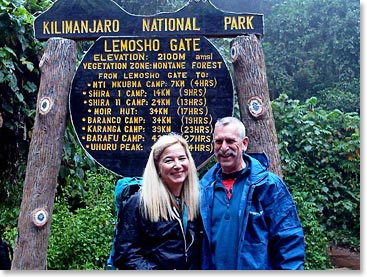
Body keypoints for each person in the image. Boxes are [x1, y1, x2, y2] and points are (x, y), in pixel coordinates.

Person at [200, 116, 305, 270]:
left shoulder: (268, 186)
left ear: (244, 144)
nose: (223, 147)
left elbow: (288, 239)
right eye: (218, 141)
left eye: (230, 141)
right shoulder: (203, 189)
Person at [113, 133, 203, 270]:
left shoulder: (197, 201)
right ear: (157, 168)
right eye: (169, 160)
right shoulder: (139, 203)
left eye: (182, 158)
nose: (177, 165)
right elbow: (125, 256)